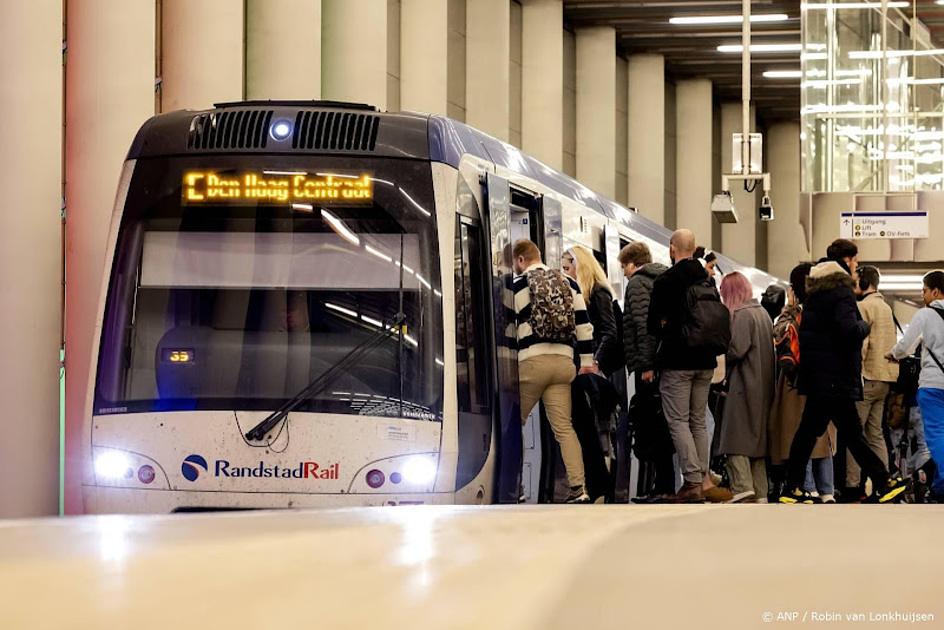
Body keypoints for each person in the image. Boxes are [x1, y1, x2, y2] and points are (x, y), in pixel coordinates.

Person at [780, 239, 907, 503]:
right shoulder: (841, 292)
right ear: (845, 261)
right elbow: (848, 331)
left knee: (812, 433)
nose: (857, 266)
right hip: (836, 377)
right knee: (853, 435)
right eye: (855, 260)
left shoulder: (816, 292)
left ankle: (791, 488)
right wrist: (865, 326)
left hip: (820, 375)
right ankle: (882, 481)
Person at [648, 229, 731, 503]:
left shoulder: (666, 281)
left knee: (678, 420)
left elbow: (653, 325)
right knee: (697, 420)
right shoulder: (708, 280)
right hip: (706, 361)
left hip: (677, 361)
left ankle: (692, 481)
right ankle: (704, 479)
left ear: (672, 248)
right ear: (694, 249)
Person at [511, 239, 595, 503]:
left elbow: (506, 325)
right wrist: (586, 362)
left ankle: (515, 487)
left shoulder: (518, 284)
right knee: (564, 428)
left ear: (521, 260)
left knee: (514, 426)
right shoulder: (570, 284)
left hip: (531, 363)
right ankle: (578, 488)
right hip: (562, 364)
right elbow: (584, 327)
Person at [769, 263, 837, 503]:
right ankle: (827, 488)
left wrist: (789, 306)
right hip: (824, 379)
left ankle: (806, 486)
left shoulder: (794, 314)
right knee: (823, 435)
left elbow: (779, 335)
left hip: (796, 383)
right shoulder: (828, 310)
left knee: (800, 431)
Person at [618, 241, 672, 501]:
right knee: (659, 423)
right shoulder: (661, 278)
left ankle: (661, 486)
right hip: (662, 363)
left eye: (624, 267)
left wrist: (646, 365)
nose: (624, 273)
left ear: (632, 263)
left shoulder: (638, 283)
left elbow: (642, 325)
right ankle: (662, 484)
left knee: (652, 424)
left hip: (649, 366)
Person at [717, 272, 775, 503]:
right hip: (763, 387)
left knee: (735, 439)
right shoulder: (763, 314)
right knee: (757, 445)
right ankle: (761, 492)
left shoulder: (742, 315)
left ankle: (742, 488)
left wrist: (719, 356)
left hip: (743, 387)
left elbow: (737, 350)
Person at [887, 270, 944, 501]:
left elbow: (905, 345)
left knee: (937, 435)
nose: (923, 295)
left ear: (935, 291)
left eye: (924, 290)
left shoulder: (925, 315)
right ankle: (939, 488)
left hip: (932, 384)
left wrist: (892, 354)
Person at [847, 265, 898, 498]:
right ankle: (884, 481)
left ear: (864, 283)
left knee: (855, 434)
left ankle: (854, 484)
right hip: (885, 377)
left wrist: (855, 371)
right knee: (875, 433)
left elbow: (862, 344)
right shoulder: (886, 308)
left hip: (866, 378)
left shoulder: (863, 306)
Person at [562, 246, 622, 375]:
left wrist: (596, 361)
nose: (565, 274)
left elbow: (609, 331)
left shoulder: (598, 291)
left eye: (567, 269)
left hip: (592, 362)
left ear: (579, 266)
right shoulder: (586, 292)